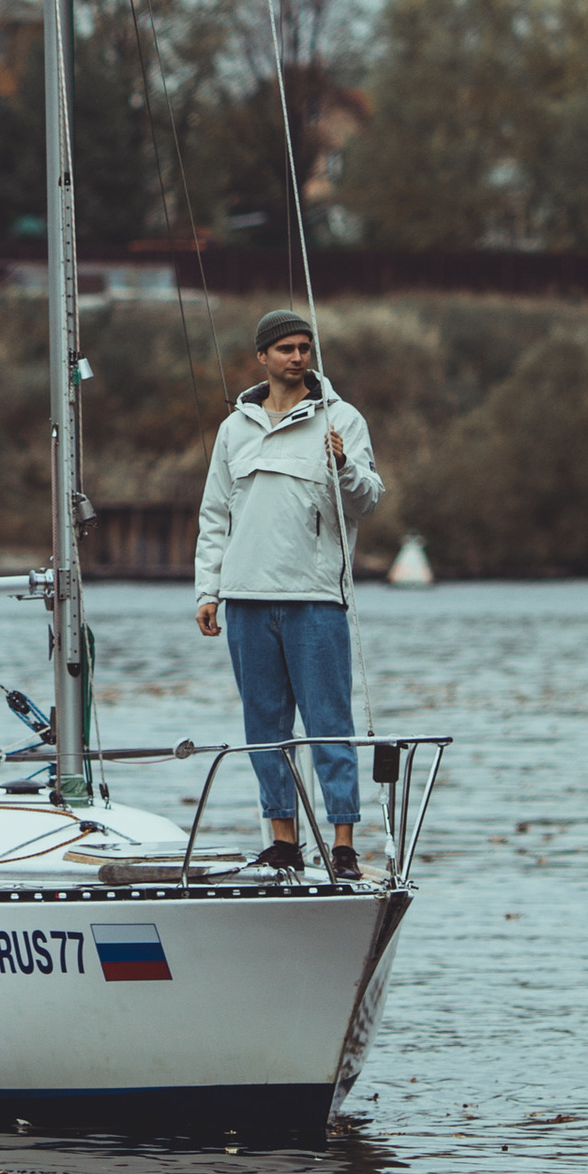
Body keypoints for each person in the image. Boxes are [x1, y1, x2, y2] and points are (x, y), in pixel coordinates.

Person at [194, 304, 382, 883]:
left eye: (304, 347)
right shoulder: (234, 429)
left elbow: (369, 499)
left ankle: (344, 843)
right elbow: (214, 515)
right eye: (286, 348)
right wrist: (209, 589)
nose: (298, 357)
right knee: (264, 726)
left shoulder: (341, 418)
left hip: (316, 597)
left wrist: (344, 466)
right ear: (262, 357)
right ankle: (283, 840)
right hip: (246, 596)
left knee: (329, 721)